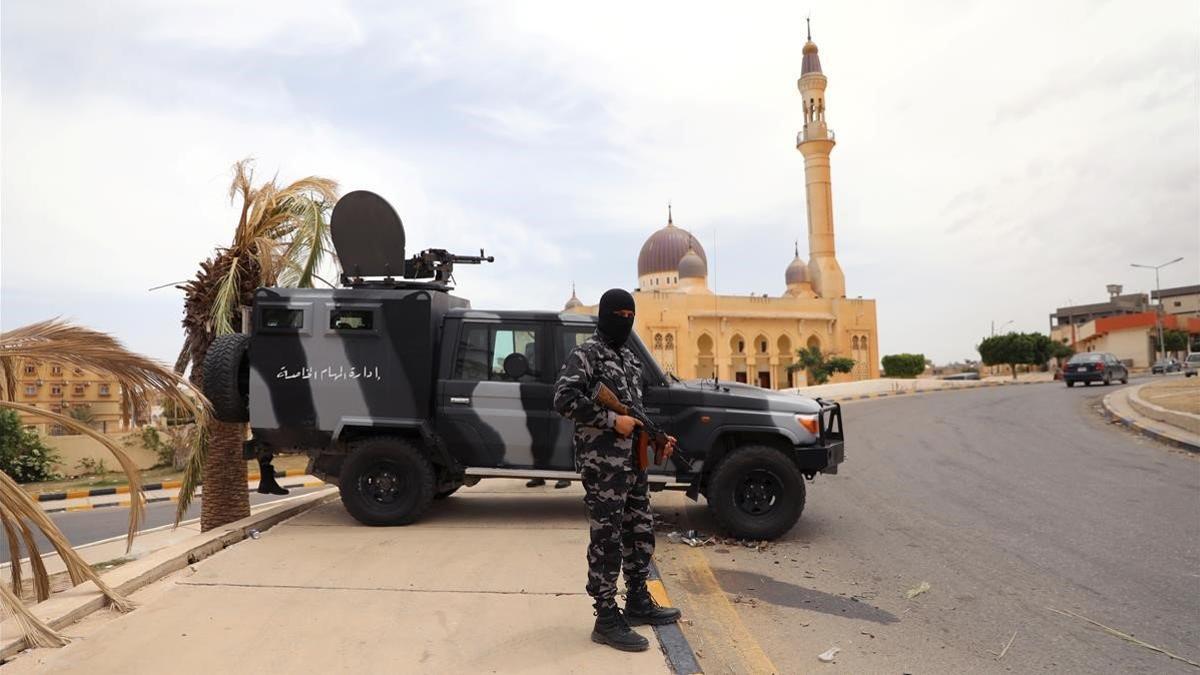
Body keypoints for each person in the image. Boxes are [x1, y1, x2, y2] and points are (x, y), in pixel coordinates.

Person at [553, 288, 681, 652]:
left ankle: (638, 599)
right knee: (607, 538)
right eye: (618, 314)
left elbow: (634, 412)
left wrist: (656, 437)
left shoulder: (630, 358)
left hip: (633, 463)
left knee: (640, 531)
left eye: (630, 314)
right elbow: (564, 398)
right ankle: (606, 617)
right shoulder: (586, 354)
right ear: (605, 315)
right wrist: (610, 420)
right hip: (603, 465)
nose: (624, 320)